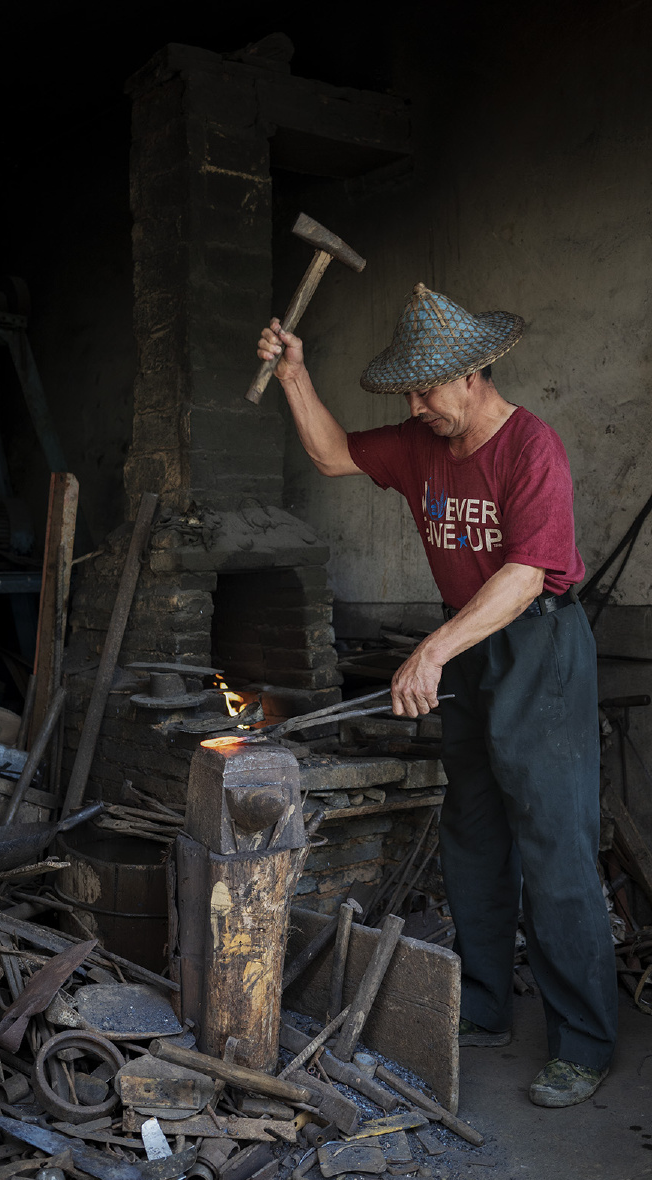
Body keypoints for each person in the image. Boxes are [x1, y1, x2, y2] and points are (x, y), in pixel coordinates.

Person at [257, 283, 618, 1108]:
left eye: (427, 390)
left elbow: (527, 576)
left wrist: (431, 651)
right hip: (468, 643)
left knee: (553, 840)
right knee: (475, 829)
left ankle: (585, 1044)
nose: (416, 407)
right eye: (409, 393)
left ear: (477, 373)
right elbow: (331, 453)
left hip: (537, 644)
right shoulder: (423, 444)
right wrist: (294, 377)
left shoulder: (532, 448)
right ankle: (486, 1009)